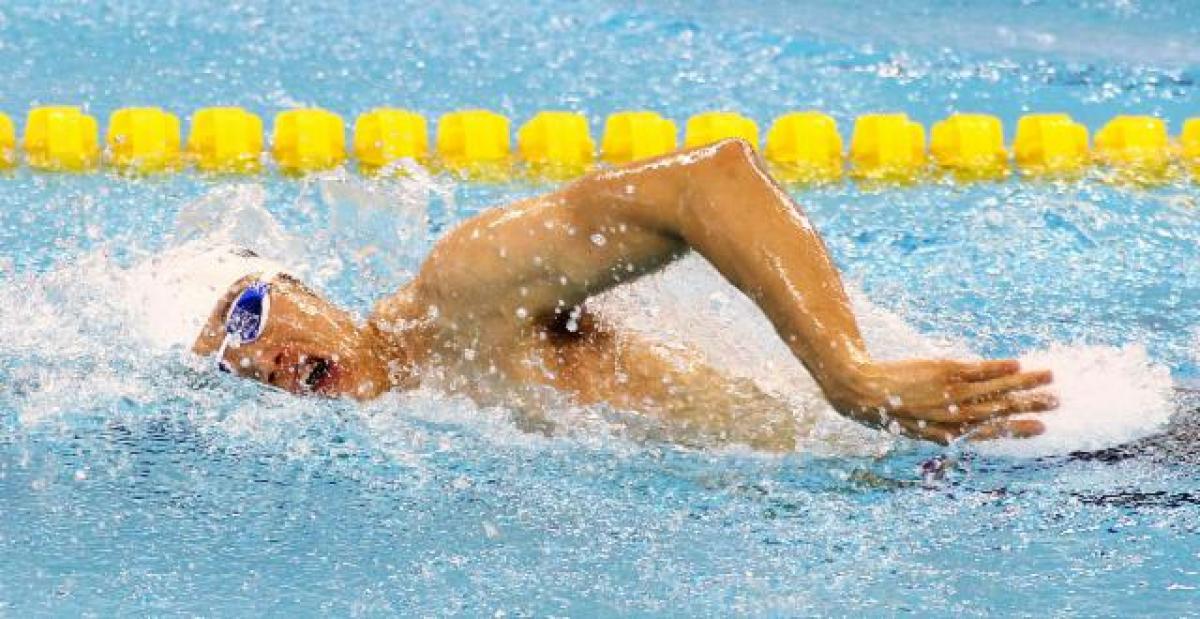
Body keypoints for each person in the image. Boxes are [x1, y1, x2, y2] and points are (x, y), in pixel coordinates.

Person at [182, 138, 1054, 451]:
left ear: (305, 288)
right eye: (229, 365)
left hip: (996, 434)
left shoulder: (459, 292)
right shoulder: (424, 415)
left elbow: (711, 180)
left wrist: (848, 373)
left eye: (245, 314)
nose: (258, 359)